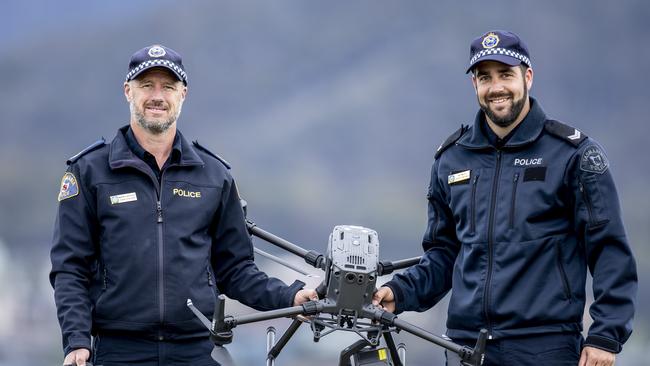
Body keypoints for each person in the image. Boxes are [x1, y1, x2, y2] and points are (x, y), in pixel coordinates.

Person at [373, 30, 637, 366]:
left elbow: (609, 251)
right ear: (475, 85)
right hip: (464, 348)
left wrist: (606, 335)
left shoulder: (574, 156)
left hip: (545, 348)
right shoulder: (451, 159)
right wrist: (398, 292)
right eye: (485, 77)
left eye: (506, 75)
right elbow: (444, 255)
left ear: (528, 77)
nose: (496, 87)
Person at [50, 44, 318, 366]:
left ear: (183, 94)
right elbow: (70, 268)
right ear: (128, 91)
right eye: (147, 85)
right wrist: (77, 341)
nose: (157, 96)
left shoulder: (214, 175)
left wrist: (290, 296)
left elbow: (235, 270)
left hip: (196, 349)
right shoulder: (89, 172)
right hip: (118, 351)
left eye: (168, 86)